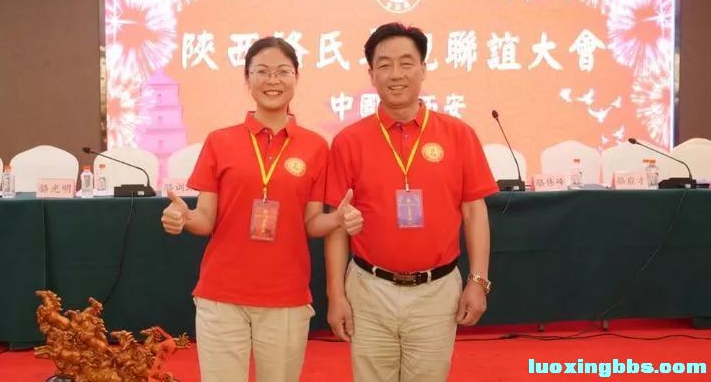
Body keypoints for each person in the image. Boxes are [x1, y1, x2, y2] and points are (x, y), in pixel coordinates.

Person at [161, 37, 363, 382]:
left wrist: (337, 219)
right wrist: (183, 217)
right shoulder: (220, 141)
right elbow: (205, 219)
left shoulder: (315, 146)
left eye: (283, 71)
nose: (273, 80)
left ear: (296, 77)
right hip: (222, 294)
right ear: (247, 79)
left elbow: (311, 223)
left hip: (286, 296)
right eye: (262, 72)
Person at [324, 22, 498, 382]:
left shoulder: (458, 135)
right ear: (371, 75)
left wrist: (478, 281)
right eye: (384, 65)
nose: (396, 74)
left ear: (423, 69)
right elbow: (337, 225)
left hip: (437, 291)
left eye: (406, 63)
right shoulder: (348, 141)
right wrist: (336, 295)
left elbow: (474, 212)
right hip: (368, 290)